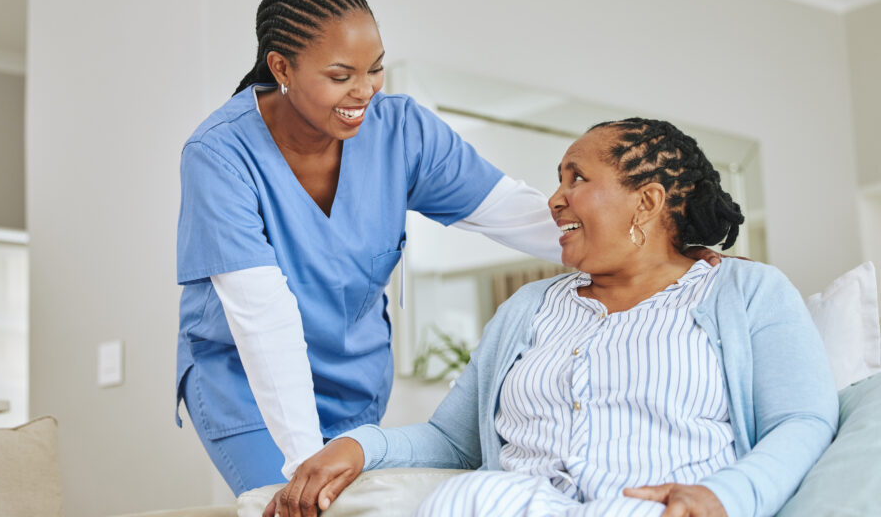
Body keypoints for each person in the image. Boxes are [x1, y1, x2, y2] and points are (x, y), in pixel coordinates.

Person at [268, 118, 839, 517]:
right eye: (559, 180)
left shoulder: (746, 291)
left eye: (577, 178)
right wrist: (361, 446)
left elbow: (803, 420)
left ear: (647, 202)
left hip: (650, 507)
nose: (555, 199)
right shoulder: (528, 308)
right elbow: (454, 437)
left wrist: (727, 498)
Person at [175, 0, 569, 495]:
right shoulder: (220, 154)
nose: (364, 91)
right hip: (247, 384)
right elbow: (261, 317)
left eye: (375, 69)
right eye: (341, 76)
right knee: (296, 502)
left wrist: (656, 247)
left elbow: (515, 213)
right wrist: (303, 463)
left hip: (356, 385)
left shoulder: (402, 131)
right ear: (281, 66)